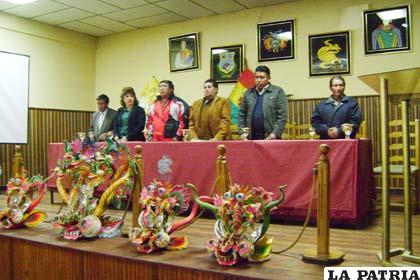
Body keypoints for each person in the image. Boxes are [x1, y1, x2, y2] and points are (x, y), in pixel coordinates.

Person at [238, 65, 288, 140]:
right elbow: (241, 115)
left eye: (262, 77)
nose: (258, 80)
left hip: (271, 137)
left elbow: (282, 116)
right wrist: (242, 133)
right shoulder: (248, 93)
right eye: (256, 77)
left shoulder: (277, 92)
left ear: (268, 78)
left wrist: (275, 134)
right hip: (251, 138)